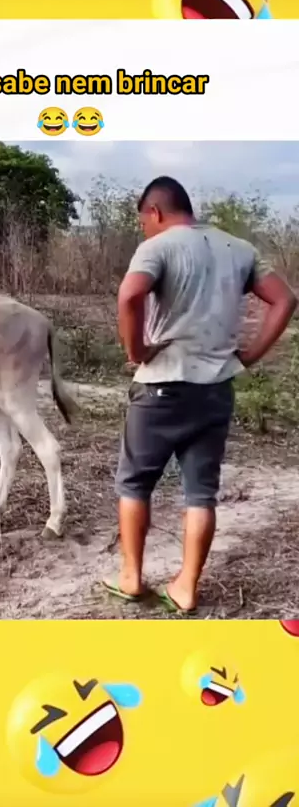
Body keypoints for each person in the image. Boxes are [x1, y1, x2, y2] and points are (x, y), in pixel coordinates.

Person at [103, 176, 297, 614]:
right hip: (214, 390)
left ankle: (131, 578)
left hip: (161, 386)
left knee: (134, 483)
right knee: (200, 493)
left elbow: (130, 294)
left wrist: (137, 351)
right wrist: (250, 355)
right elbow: (285, 300)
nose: (145, 229)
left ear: (154, 212)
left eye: (143, 221)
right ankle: (186, 587)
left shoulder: (158, 247)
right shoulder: (238, 248)